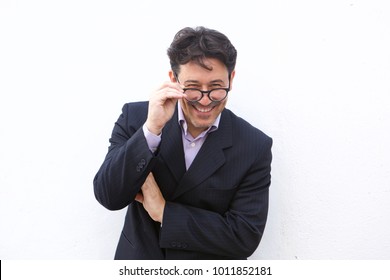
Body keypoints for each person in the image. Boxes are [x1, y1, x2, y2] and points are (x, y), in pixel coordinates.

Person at [93, 26, 273, 260]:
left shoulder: (254, 145)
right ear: (173, 79)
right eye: (193, 88)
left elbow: (244, 236)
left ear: (232, 78)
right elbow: (108, 196)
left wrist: (165, 213)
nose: (205, 100)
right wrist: (151, 131)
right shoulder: (136, 118)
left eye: (217, 87)